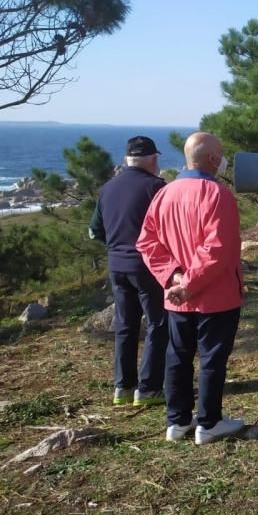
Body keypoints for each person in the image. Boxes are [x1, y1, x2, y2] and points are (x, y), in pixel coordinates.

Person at [137, 132, 245, 445]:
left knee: (178, 356)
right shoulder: (217, 194)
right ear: (213, 159)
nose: (223, 159)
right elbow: (218, 248)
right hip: (217, 296)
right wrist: (190, 282)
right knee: (212, 359)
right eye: (221, 154)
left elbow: (147, 241)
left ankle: (178, 420)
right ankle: (209, 422)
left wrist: (174, 277)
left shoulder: (165, 193)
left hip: (177, 297)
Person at [89, 136, 167, 407]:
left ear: (126, 159)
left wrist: (116, 246)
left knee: (126, 325)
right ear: (153, 159)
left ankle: (123, 387)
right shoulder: (157, 188)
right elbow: (168, 230)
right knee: (158, 323)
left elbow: (95, 230)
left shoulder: (107, 189)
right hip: (147, 266)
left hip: (117, 266)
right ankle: (149, 389)